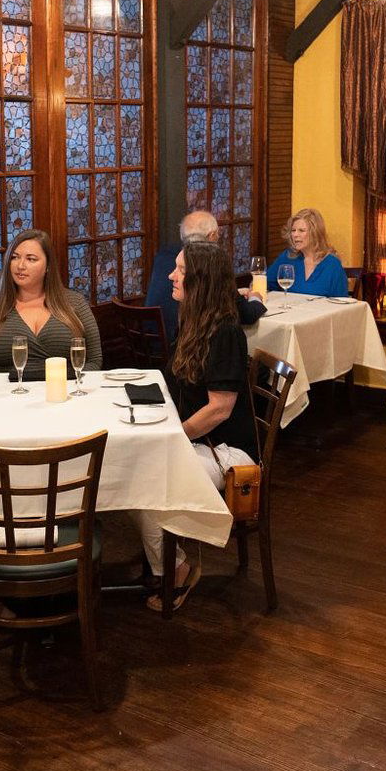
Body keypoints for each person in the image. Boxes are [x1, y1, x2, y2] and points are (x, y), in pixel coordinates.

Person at [144, 239, 259, 612]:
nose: (170, 275)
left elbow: (219, 410)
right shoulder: (193, 322)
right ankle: (171, 561)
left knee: (144, 483)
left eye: (179, 270)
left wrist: (173, 437)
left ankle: (175, 568)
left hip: (227, 450)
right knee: (136, 475)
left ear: (201, 280)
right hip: (199, 438)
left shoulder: (225, 333)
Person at [0, 229, 102, 375]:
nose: (20, 265)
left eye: (31, 259)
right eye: (14, 257)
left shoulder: (75, 302)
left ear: (48, 266)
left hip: (65, 392)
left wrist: (72, 386)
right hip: (7, 394)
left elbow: (94, 360)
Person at [146, 208, 265, 342]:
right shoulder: (209, 267)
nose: (172, 276)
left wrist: (234, 293)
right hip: (183, 345)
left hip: (150, 344)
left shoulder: (163, 256)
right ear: (212, 235)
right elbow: (248, 315)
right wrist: (255, 298)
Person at [266, 207, 350, 297]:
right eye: (293, 230)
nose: (295, 235)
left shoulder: (332, 265)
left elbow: (342, 304)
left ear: (315, 233)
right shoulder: (287, 257)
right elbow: (265, 283)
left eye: (301, 230)